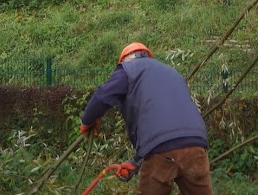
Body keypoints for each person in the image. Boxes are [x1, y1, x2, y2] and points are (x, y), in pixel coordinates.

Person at [80, 42, 213, 194]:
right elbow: (167, 130)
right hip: (196, 145)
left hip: (161, 151)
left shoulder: (128, 70)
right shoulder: (171, 72)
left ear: (124, 60)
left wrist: (87, 121)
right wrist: (136, 161)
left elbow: (102, 97)